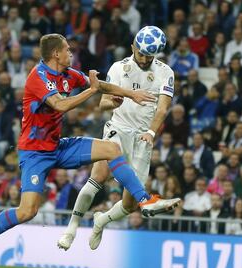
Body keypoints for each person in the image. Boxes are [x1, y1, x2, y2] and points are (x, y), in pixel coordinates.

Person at [0, 33, 179, 268]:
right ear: (56, 54)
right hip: (35, 153)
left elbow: (100, 85)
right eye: (67, 50)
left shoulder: (68, 74)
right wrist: (92, 91)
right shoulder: (38, 76)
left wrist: (131, 94)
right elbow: (61, 104)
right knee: (27, 211)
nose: (71, 53)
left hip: (58, 146)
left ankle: (144, 199)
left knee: (112, 149)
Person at [58, 27, 180, 251]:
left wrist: (151, 133)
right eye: (141, 53)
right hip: (118, 129)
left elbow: (162, 110)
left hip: (143, 138)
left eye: (149, 55)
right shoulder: (118, 68)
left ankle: (101, 221)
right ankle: (71, 230)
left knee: (130, 204)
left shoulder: (166, 73)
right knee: (97, 179)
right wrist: (112, 103)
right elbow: (102, 103)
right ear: (133, 46)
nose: (144, 59)